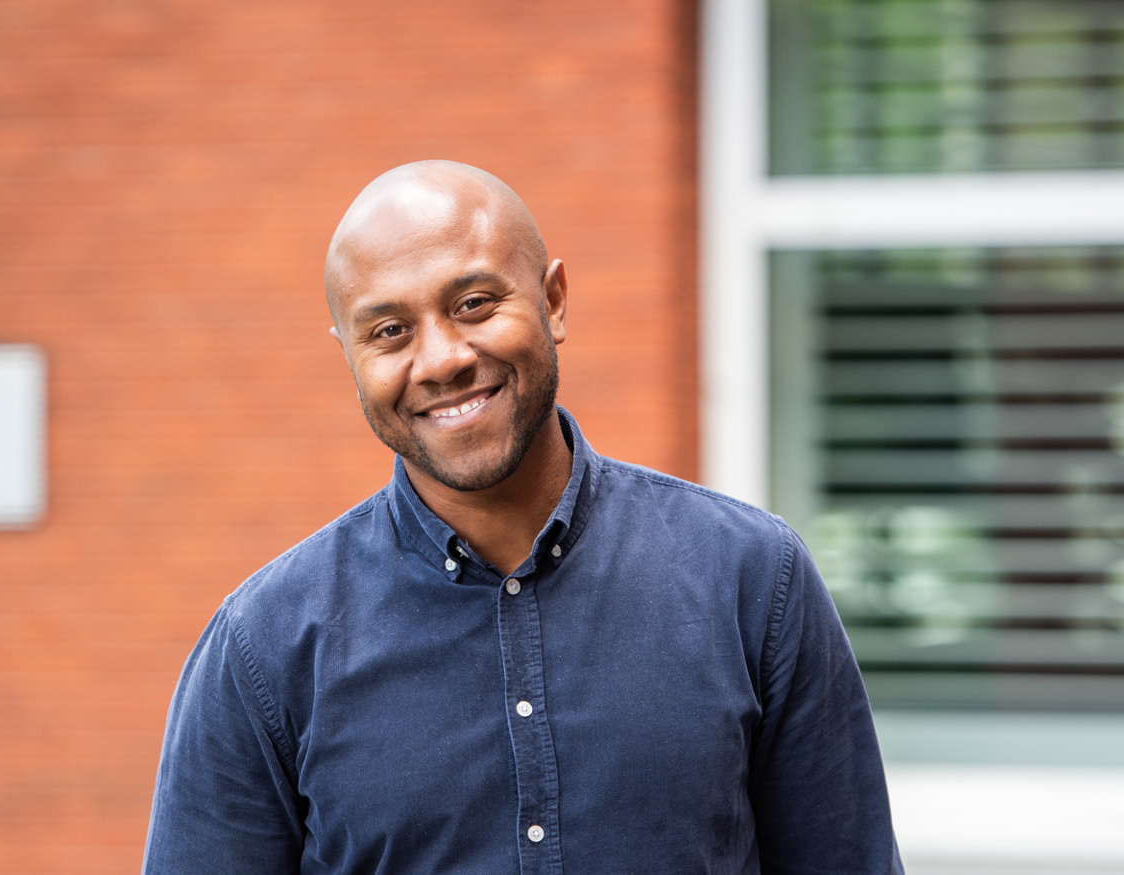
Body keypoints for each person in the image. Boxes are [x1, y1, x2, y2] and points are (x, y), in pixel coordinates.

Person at [143, 160, 903, 874]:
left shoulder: (753, 580)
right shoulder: (263, 647)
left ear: (554, 301)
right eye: (389, 331)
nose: (440, 358)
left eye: (473, 304)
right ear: (350, 358)